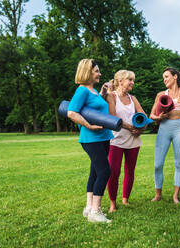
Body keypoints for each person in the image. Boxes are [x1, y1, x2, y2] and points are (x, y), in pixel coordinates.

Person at [67, 59, 113, 223]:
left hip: (103, 136)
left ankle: (89, 207)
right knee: (104, 171)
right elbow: (71, 112)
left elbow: (94, 108)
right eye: (96, 71)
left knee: (95, 171)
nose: (99, 73)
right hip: (92, 138)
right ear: (87, 72)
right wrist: (88, 125)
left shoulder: (92, 91)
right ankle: (95, 211)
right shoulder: (82, 91)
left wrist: (103, 94)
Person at [101, 70, 146, 213]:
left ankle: (125, 199)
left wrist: (141, 129)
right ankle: (112, 203)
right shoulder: (111, 96)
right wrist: (130, 126)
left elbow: (143, 115)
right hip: (116, 139)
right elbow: (113, 117)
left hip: (133, 139)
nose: (132, 82)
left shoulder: (133, 98)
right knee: (114, 172)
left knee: (130, 171)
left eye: (133, 80)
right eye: (129, 80)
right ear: (120, 81)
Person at [149, 67, 180, 204]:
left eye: (166, 76)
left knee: (178, 162)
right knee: (157, 164)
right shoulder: (161, 94)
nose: (164, 79)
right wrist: (159, 117)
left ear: (175, 77)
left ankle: (175, 196)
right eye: (163, 77)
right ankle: (158, 194)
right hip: (164, 128)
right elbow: (151, 115)